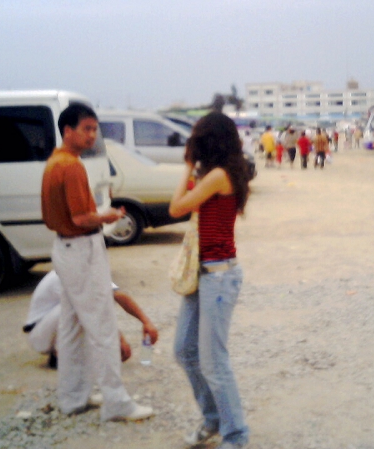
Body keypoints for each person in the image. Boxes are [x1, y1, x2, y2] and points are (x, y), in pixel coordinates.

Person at [40, 103, 153, 422]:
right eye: (86, 129)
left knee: (72, 325)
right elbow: (81, 217)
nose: (92, 135)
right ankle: (116, 402)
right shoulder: (71, 166)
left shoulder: (55, 161)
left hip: (65, 248)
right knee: (102, 326)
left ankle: (73, 397)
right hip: (81, 248)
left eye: (94, 129)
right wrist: (110, 216)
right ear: (68, 131)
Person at [169, 111, 251, 449]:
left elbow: (176, 208)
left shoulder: (218, 175)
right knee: (184, 351)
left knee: (214, 362)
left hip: (219, 277)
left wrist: (187, 166)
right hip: (203, 274)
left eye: (197, 139)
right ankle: (213, 419)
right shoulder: (217, 173)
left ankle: (236, 435)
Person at [23, 270, 159, 369]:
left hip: (53, 327)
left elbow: (117, 295)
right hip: (40, 335)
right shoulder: (65, 272)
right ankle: (61, 357)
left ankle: (75, 353)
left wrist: (146, 322)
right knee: (79, 306)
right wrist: (118, 338)